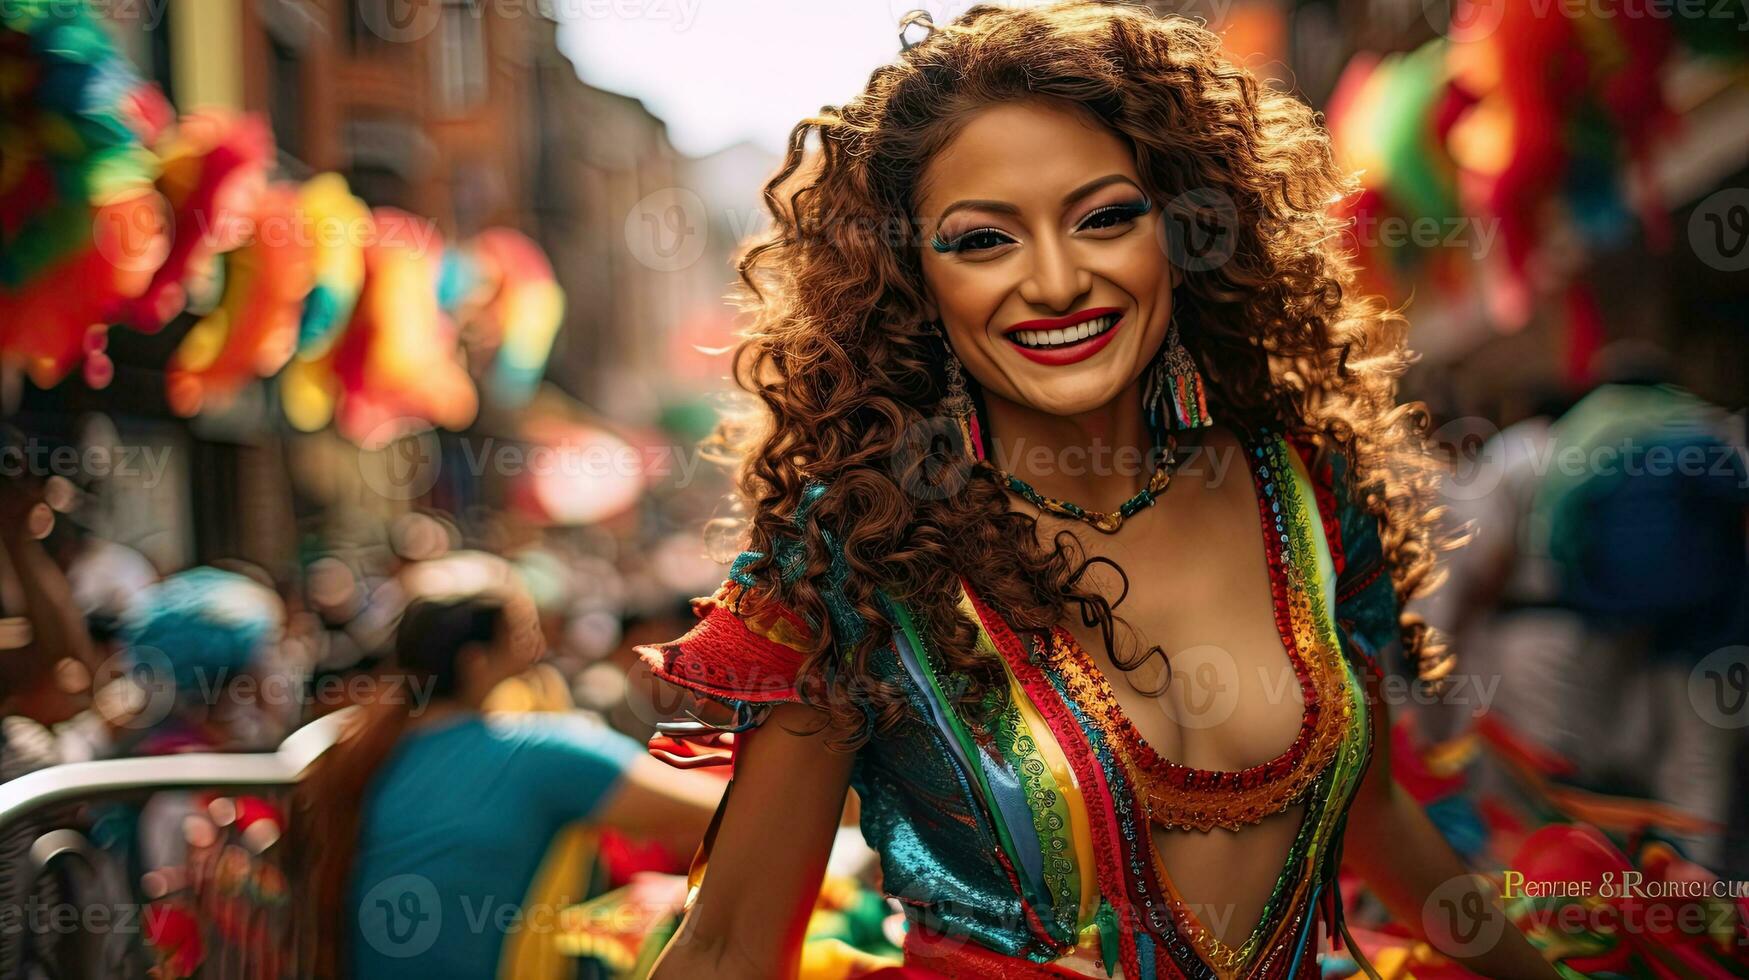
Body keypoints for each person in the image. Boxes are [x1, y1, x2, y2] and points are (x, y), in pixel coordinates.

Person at [637, 5, 1583, 978]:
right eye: (982, 241)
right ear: (911, 278)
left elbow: (1378, 813)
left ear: (1180, 227)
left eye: (1104, 218)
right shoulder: (858, 556)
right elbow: (730, 943)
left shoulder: (1306, 491)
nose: (1056, 282)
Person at [294, 581, 725, 980]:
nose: (538, 646)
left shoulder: (371, 746)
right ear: (476, 663)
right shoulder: (537, 752)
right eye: (523, 633)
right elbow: (722, 810)